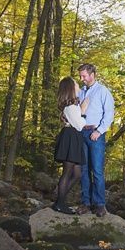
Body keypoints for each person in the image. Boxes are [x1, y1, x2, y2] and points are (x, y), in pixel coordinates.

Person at [76, 62, 114, 217]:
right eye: (80, 76)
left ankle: (99, 205)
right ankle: (86, 203)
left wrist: (99, 131)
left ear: (92, 75)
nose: (82, 78)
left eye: (84, 76)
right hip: (81, 133)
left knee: (97, 171)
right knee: (83, 170)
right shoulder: (81, 92)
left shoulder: (103, 91)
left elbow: (109, 114)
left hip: (95, 133)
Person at [53, 77, 89, 213]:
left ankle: (59, 200)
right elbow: (79, 125)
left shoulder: (72, 105)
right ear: (70, 88)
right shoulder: (71, 107)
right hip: (71, 137)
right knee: (67, 172)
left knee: (77, 174)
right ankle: (60, 204)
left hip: (73, 138)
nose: (78, 84)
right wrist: (83, 111)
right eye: (75, 83)